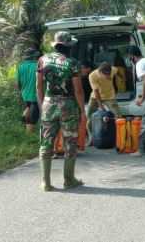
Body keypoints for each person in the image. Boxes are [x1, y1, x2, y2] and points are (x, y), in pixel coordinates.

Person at [36, 31, 85, 191]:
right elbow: (78, 91)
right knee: (70, 142)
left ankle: (46, 183)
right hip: (68, 106)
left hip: (48, 105)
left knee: (46, 142)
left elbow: (39, 86)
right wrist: (82, 111)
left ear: (56, 45)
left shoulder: (42, 60)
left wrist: (44, 103)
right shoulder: (73, 63)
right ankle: (68, 180)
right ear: (69, 46)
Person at [86, 61, 124, 145]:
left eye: (108, 75)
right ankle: (92, 138)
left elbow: (117, 71)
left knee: (118, 116)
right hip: (95, 97)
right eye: (105, 76)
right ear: (99, 71)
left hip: (110, 96)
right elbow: (96, 92)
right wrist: (100, 106)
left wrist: (122, 78)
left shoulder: (112, 70)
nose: (108, 77)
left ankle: (121, 137)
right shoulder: (92, 76)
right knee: (89, 116)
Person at [16, 48, 40, 132]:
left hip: (25, 93)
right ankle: (29, 134)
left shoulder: (20, 67)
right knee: (34, 114)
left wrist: (21, 90)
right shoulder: (38, 66)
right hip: (35, 93)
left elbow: (18, 83)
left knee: (28, 107)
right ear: (34, 57)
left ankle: (23, 124)